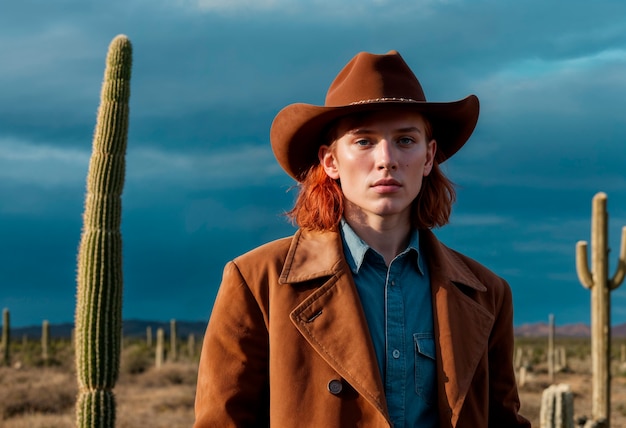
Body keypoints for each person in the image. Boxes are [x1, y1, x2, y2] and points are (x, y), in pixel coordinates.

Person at [194, 50, 531, 427]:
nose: (386, 159)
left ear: (429, 156)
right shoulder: (257, 281)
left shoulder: (486, 293)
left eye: (405, 140)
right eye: (364, 141)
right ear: (330, 161)